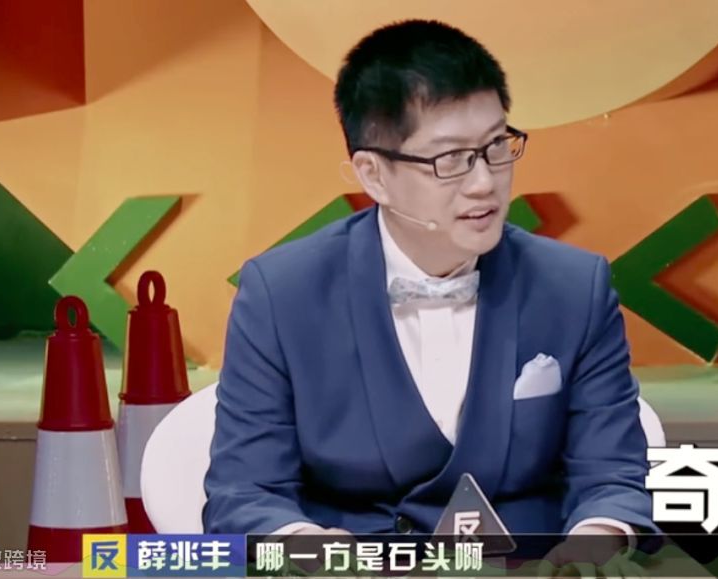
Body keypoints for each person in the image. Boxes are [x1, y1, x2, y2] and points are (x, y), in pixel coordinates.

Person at [203, 19, 652, 543]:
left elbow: (613, 476)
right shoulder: (283, 293)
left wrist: (591, 548)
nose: (484, 182)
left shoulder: (574, 287)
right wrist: (315, 551)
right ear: (373, 174)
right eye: (450, 159)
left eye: (496, 146)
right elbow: (244, 494)